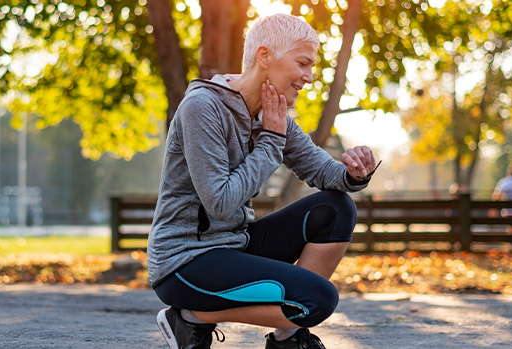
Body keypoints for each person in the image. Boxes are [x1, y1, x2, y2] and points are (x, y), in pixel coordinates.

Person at [147, 14, 379, 349]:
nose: (309, 77)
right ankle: (191, 318)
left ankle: (287, 337)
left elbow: (323, 172)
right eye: (303, 63)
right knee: (317, 301)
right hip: (184, 261)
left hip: (234, 246)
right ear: (265, 56)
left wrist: (354, 172)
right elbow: (220, 203)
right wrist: (271, 140)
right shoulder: (203, 107)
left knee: (337, 207)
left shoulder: (273, 115)